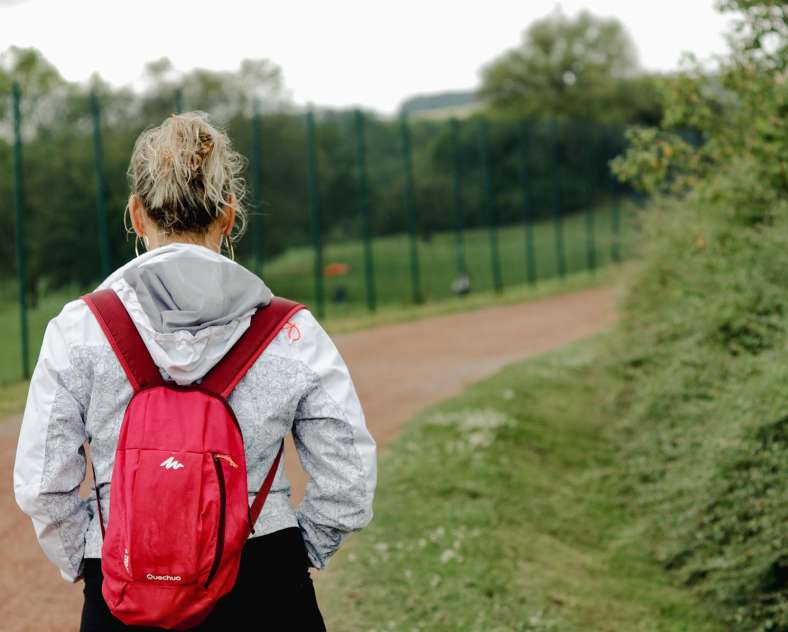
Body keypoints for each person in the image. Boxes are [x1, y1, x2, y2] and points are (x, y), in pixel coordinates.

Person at [13, 111, 377, 631]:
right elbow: (349, 477)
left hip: (124, 585)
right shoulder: (289, 331)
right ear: (229, 216)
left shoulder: (79, 329)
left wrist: (92, 560)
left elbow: (43, 483)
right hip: (266, 581)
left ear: (137, 216)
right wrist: (294, 556)